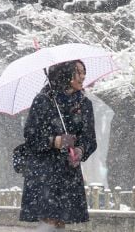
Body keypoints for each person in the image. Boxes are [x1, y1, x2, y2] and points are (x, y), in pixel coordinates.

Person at [19, 60, 97, 231]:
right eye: (78, 72)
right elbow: (31, 137)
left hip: (68, 172)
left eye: (84, 72)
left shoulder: (84, 104)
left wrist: (80, 150)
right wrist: (55, 141)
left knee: (60, 222)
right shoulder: (43, 100)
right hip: (44, 171)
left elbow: (90, 139)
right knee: (50, 220)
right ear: (65, 73)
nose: (83, 76)